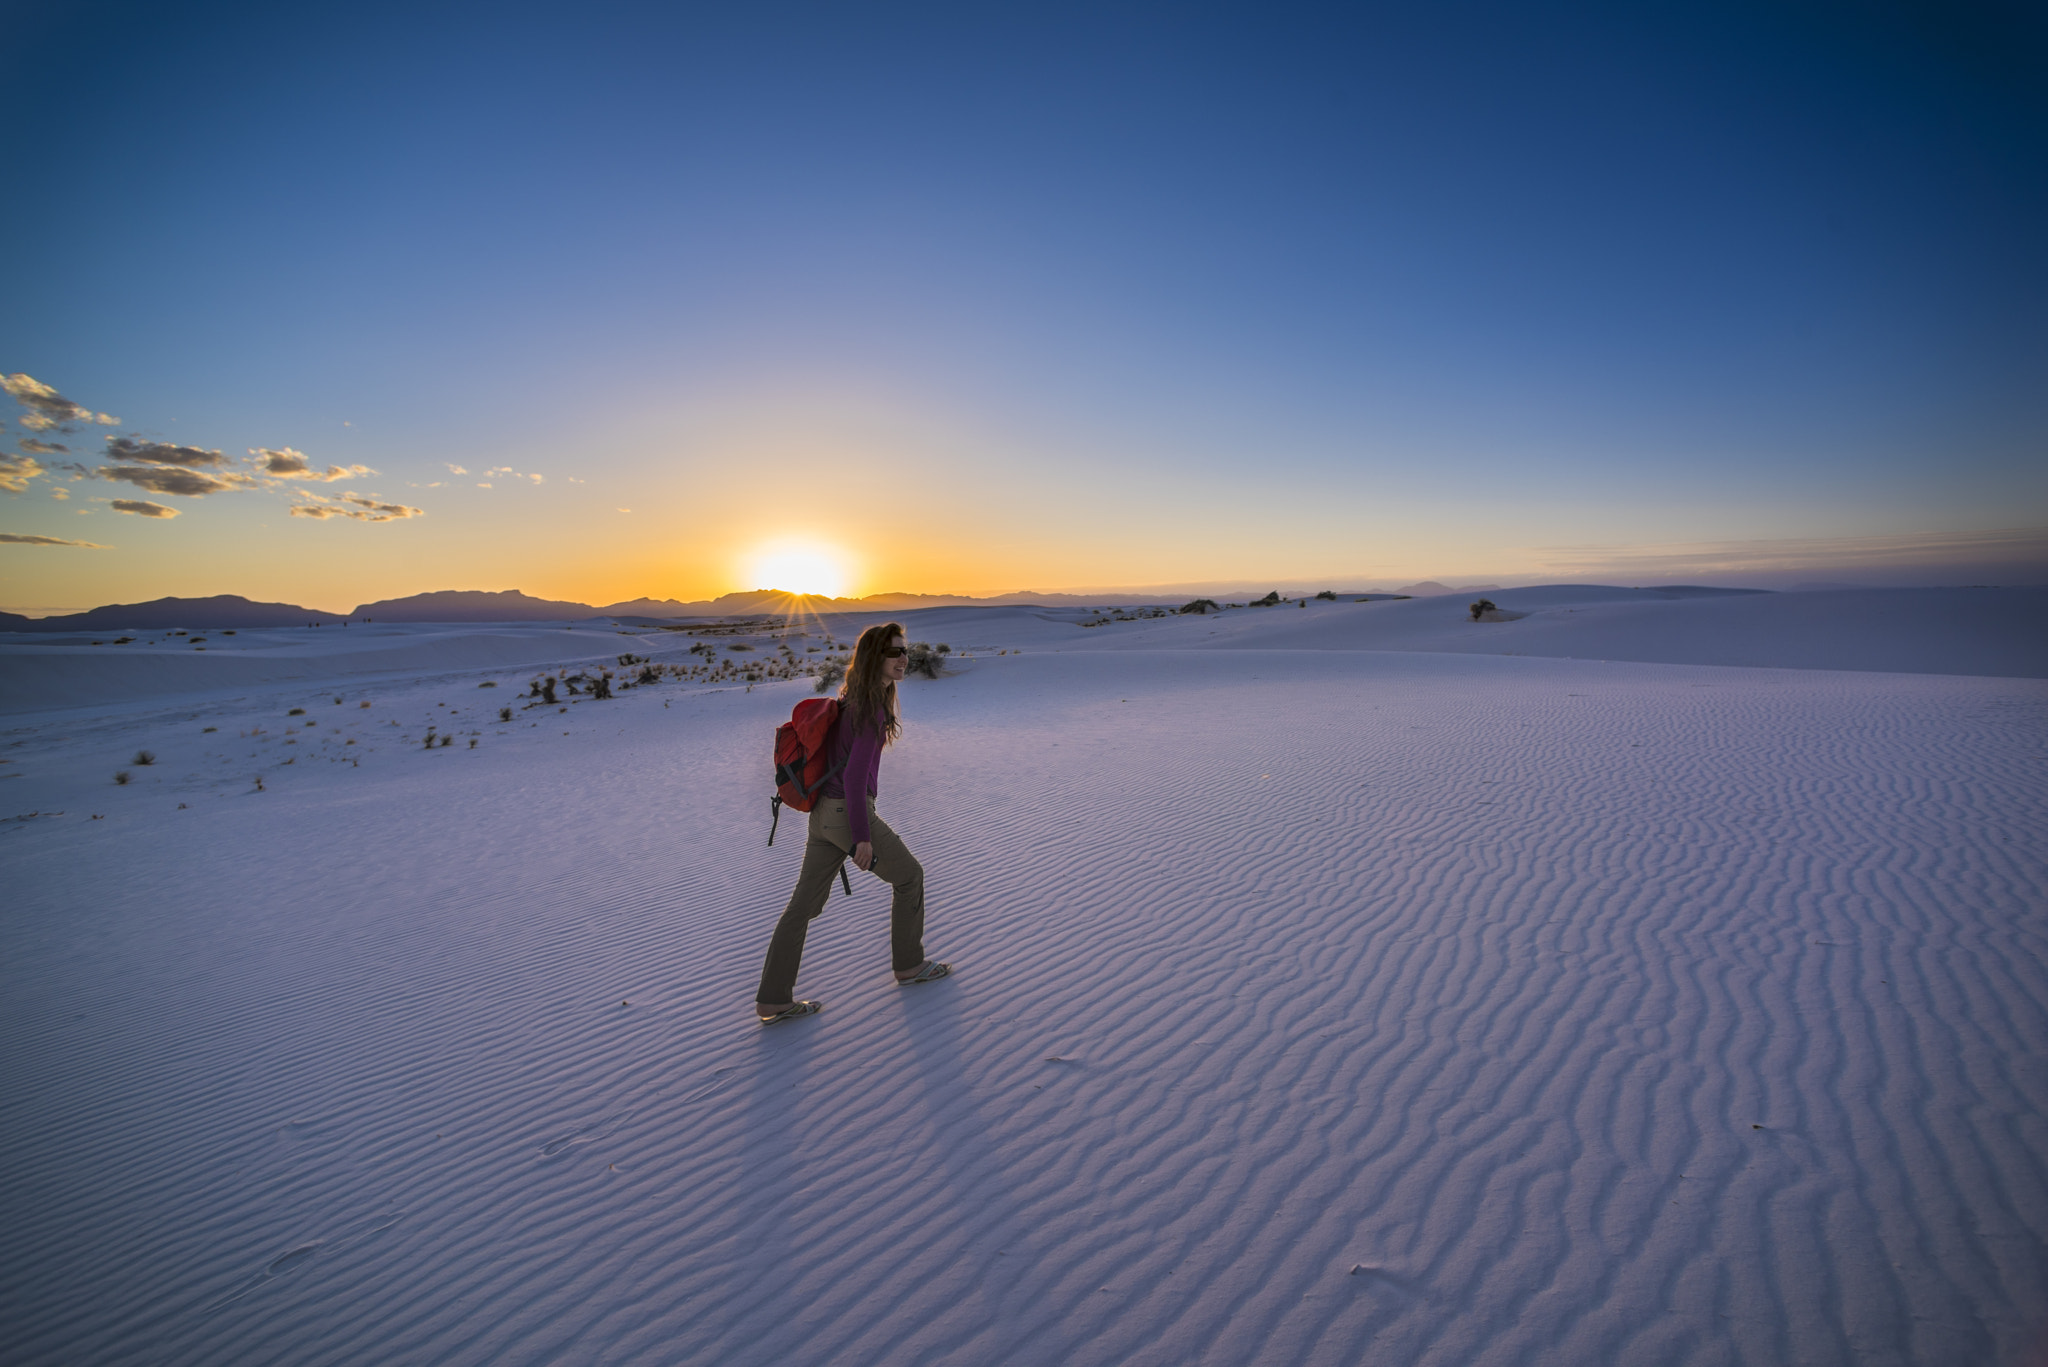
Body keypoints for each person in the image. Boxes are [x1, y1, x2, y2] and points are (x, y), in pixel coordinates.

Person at [754, 622, 949, 1023]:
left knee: (801, 908)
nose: (903, 659)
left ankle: (773, 998)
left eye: (904, 651)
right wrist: (862, 838)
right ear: (874, 658)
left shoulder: (850, 700)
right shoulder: (871, 708)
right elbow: (856, 778)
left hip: (823, 817)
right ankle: (910, 966)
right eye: (894, 653)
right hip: (848, 813)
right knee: (910, 877)